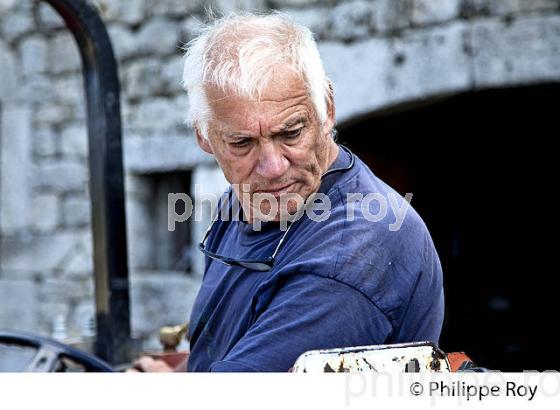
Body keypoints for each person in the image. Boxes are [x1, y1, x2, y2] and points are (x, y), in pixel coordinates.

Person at [131, 12, 444, 372]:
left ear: (326, 108)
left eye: (291, 133)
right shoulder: (246, 201)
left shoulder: (354, 251)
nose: (273, 167)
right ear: (204, 136)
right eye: (242, 142)